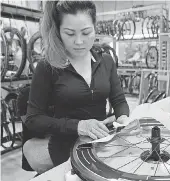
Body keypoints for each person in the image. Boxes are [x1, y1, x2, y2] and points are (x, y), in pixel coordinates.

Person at [23, 1, 132, 174]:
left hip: (100, 145)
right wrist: (79, 126)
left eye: (86, 32)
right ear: (58, 32)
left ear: (95, 28)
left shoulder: (106, 62)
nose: (79, 41)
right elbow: (33, 119)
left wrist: (123, 118)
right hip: (64, 149)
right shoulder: (48, 66)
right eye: (70, 33)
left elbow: (119, 100)